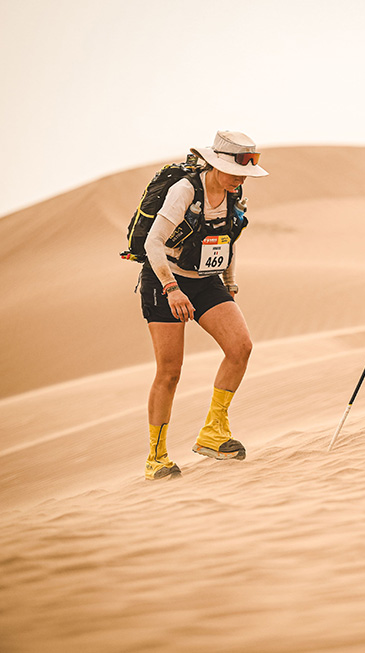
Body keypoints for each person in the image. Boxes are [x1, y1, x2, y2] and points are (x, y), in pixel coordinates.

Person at [139, 131, 268, 480]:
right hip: (165, 279)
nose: (240, 179)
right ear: (214, 163)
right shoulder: (185, 190)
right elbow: (153, 244)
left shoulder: (232, 193)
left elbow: (227, 239)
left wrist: (230, 284)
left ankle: (214, 432)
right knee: (170, 371)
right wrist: (171, 288)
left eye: (244, 173)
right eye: (234, 170)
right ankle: (156, 457)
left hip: (206, 280)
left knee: (240, 347)